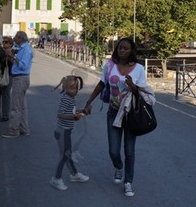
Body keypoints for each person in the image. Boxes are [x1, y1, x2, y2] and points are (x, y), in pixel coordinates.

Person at [82, 37, 148, 197]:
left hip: (131, 113)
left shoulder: (139, 69)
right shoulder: (110, 66)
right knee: (113, 150)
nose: (122, 51)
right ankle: (118, 166)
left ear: (132, 50)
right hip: (113, 112)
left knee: (129, 151)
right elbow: (101, 84)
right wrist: (89, 101)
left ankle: (128, 182)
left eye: (126, 48)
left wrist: (133, 86)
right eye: (120, 48)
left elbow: (143, 92)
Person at [50, 75, 90, 190]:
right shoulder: (66, 98)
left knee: (68, 154)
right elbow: (60, 114)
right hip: (62, 131)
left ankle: (74, 175)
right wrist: (73, 117)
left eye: (77, 88)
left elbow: (72, 110)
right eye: (72, 88)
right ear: (66, 88)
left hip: (66, 132)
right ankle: (56, 179)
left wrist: (83, 111)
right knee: (64, 155)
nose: (75, 90)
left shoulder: (71, 97)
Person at [2, 31, 32, 138]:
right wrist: (11, 57)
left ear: (20, 38)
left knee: (16, 106)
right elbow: (18, 63)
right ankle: (23, 128)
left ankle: (14, 130)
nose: (14, 39)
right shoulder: (23, 49)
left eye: (16, 37)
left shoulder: (26, 50)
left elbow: (23, 65)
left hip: (20, 79)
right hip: (20, 78)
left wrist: (13, 57)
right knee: (22, 106)